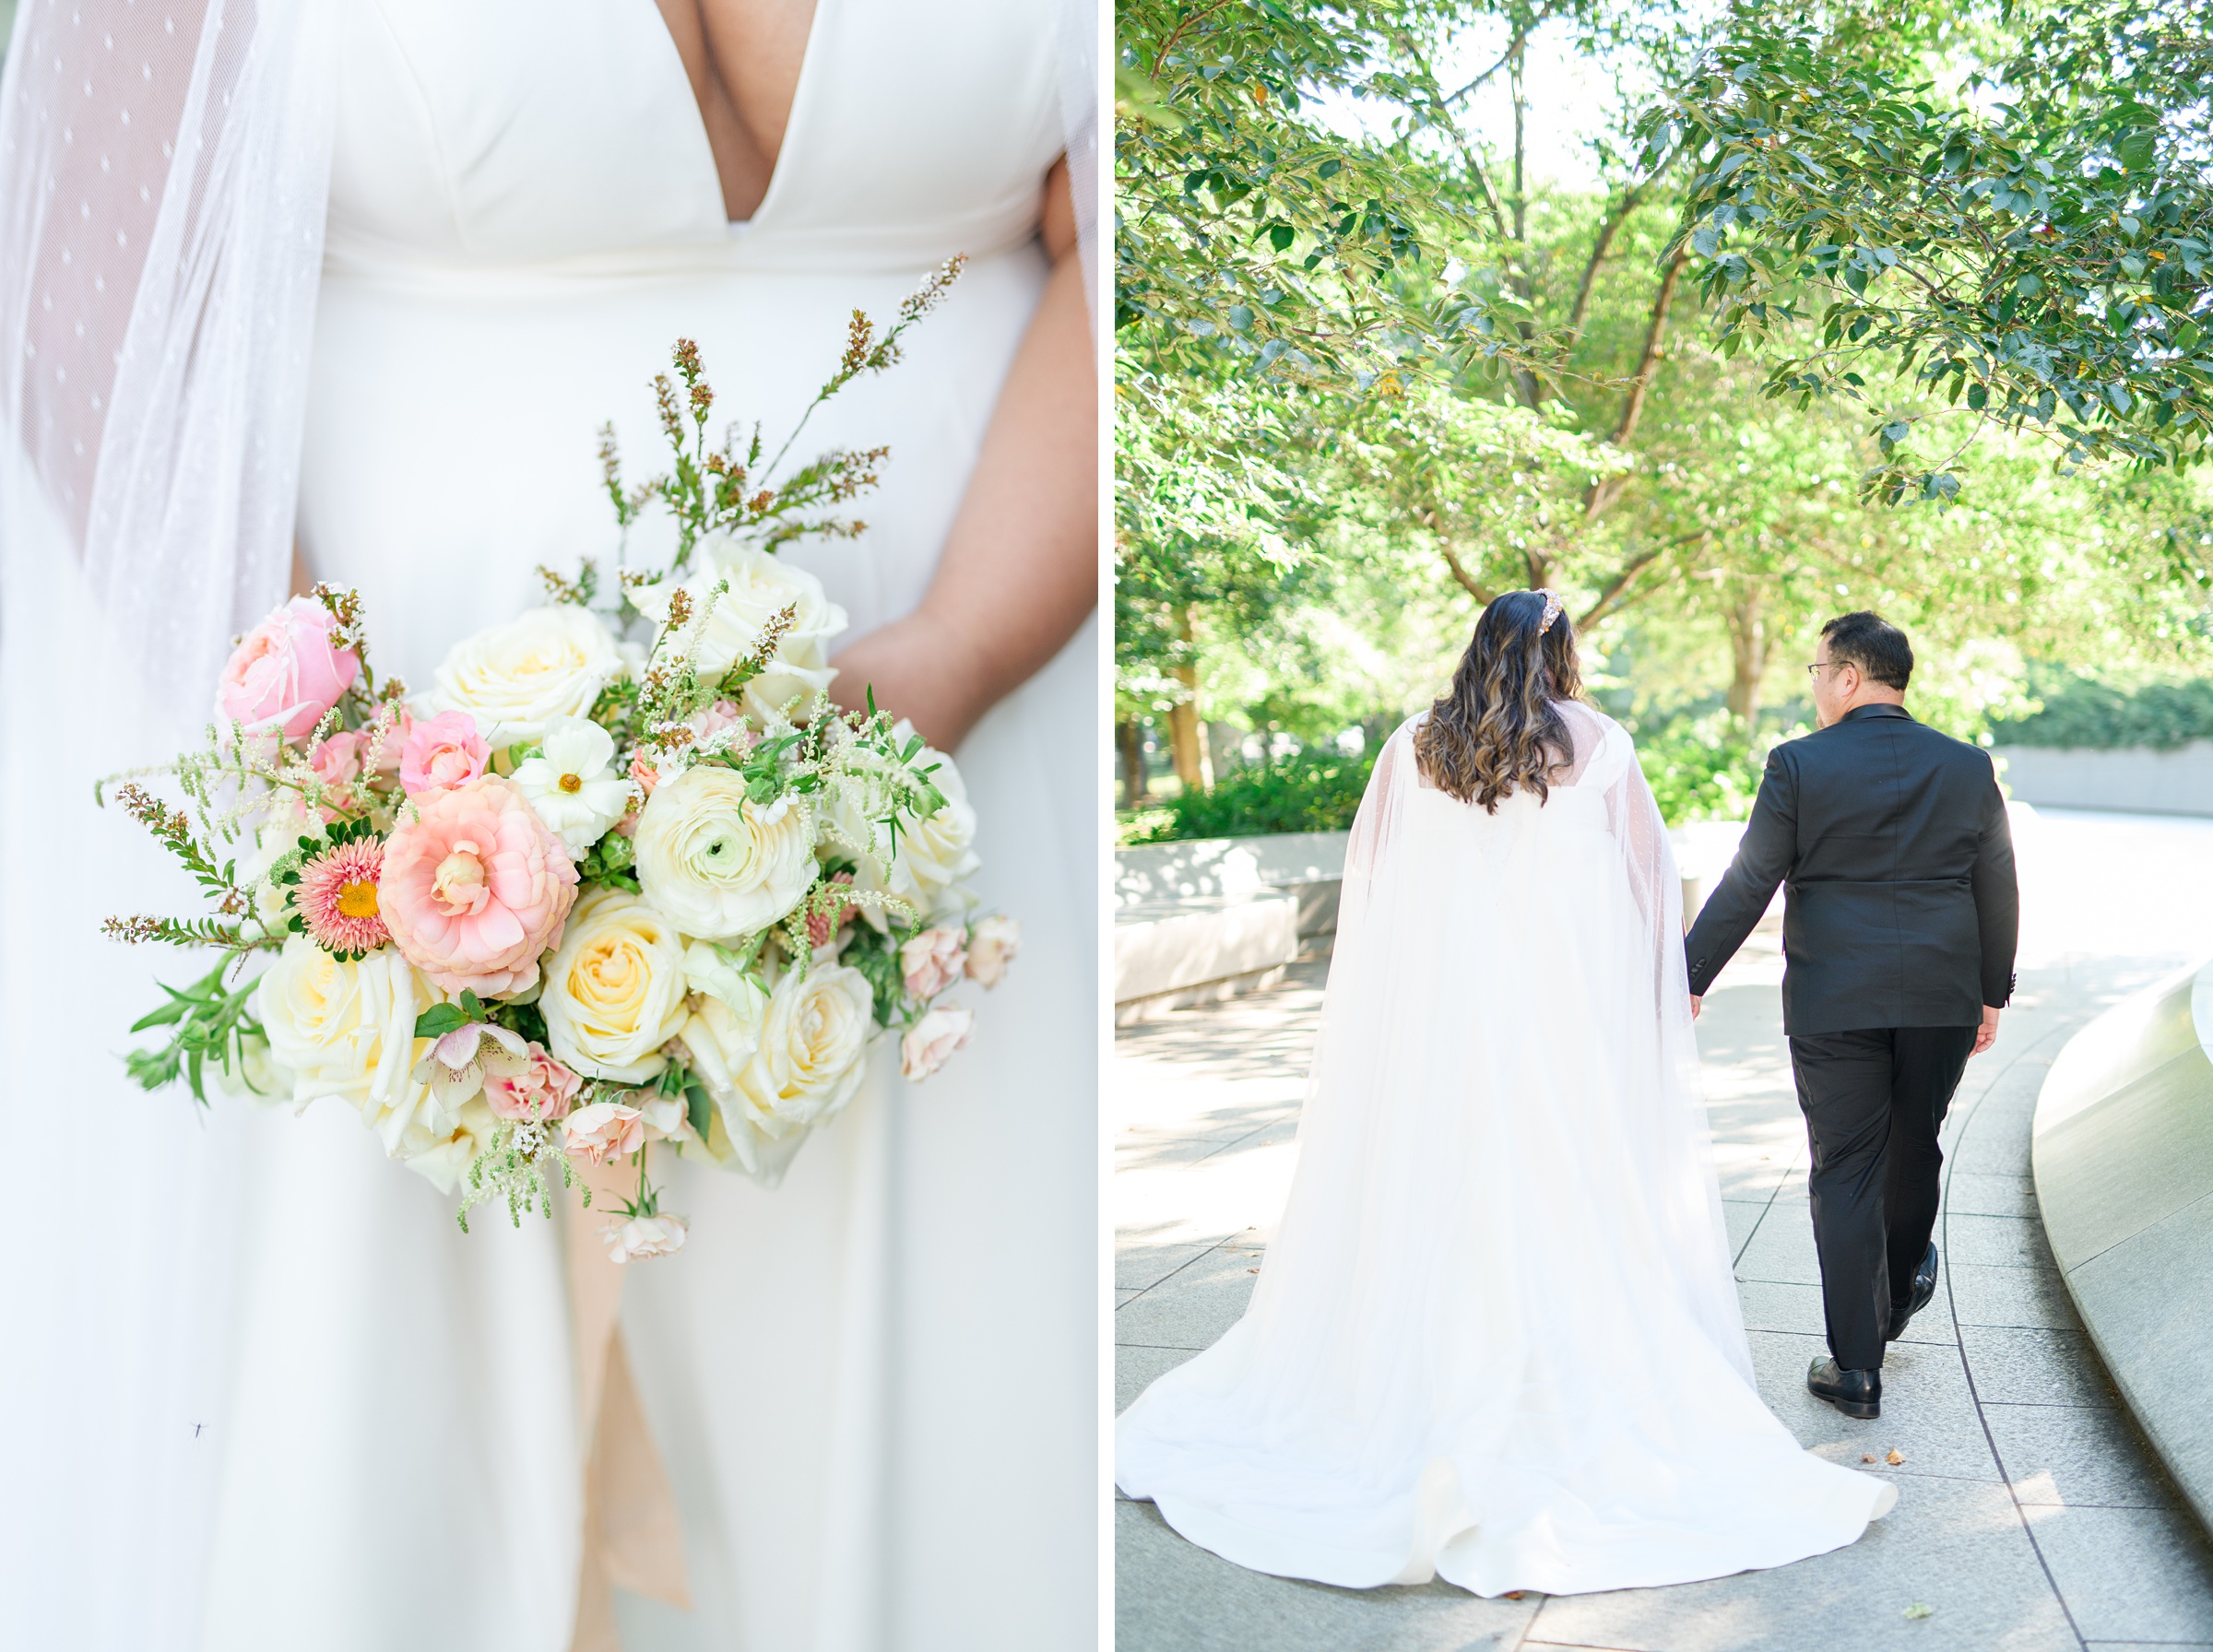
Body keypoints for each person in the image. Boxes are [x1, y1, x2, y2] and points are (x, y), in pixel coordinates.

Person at [0, 2, 1097, 1648]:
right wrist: (353, 782)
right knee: (402, 1423)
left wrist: (956, 655)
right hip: (381, 758)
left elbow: (1105, 241)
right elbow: (94, 269)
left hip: (964, 722)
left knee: (949, 1406)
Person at [1116, 589, 1897, 1598]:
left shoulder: (1413, 746)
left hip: (1441, 1023)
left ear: (1476, 647)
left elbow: (1375, 885)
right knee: (1558, 1188)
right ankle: (1544, 1372)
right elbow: (1653, 886)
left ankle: (1418, 1372)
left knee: (1438, 1184)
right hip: (1557, 1022)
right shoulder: (1600, 744)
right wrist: (1653, 996)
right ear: (1561, 654)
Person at [1685, 610, 2018, 1423]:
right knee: (1914, 1150)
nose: (1813, 688)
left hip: (1835, 1001)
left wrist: (1686, 976)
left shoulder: (1799, 764)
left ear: (1847, 676)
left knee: (1844, 1168)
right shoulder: (1968, 766)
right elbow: (1998, 885)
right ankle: (1898, 1290)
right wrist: (1992, 992)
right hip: (1940, 998)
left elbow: (1749, 879)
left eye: (1815, 672)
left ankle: (1857, 1367)